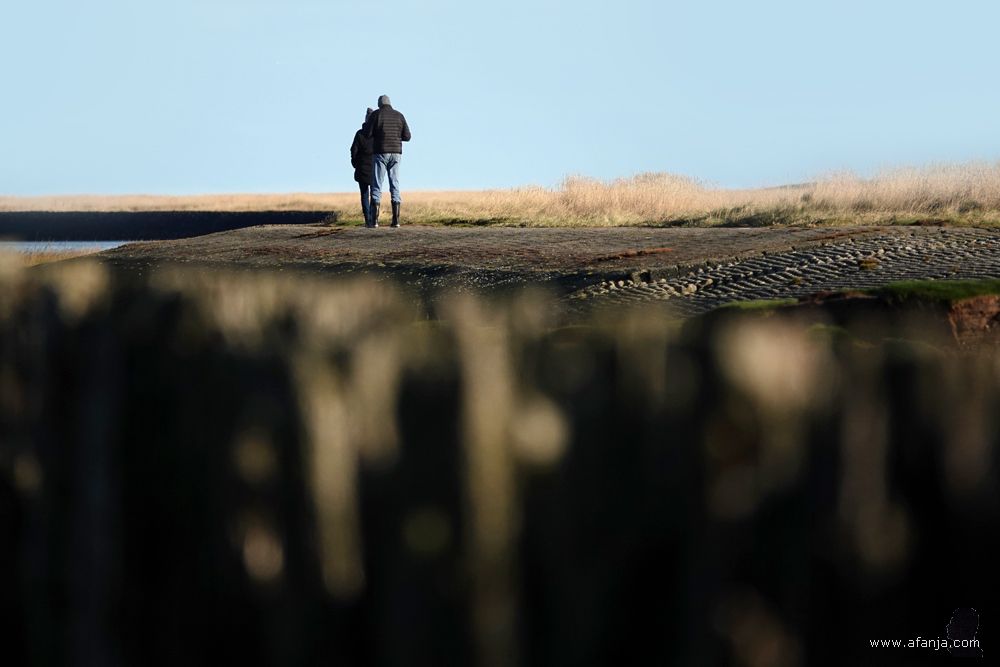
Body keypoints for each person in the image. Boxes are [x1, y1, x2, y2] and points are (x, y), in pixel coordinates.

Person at [365, 95, 411, 228]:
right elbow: (407, 136)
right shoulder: (399, 115)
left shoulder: (376, 115)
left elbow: (368, 134)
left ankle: (374, 221)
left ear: (379, 104)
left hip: (380, 152)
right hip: (396, 153)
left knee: (377, 185)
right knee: (395, 184)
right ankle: (396, 221)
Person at [350, 108, 375, 226]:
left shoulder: (359, 133)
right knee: (375, 194)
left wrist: (356, 164)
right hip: (375, 169)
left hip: (362, 169)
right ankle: (374, 219)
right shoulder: (377, 135)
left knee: (364, 195)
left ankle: (368, 220)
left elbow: (353, 151)